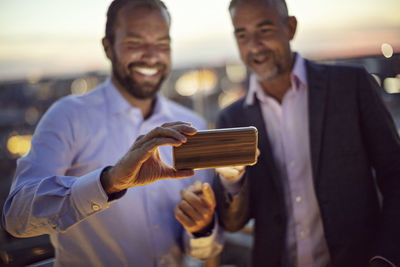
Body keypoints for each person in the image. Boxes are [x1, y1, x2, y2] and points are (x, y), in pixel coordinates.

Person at [2, 0, 222, 266]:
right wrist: (110, 182)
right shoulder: (68, 116)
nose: (152, 55)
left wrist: (202, 228)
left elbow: (203, 251)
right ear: (108, 47)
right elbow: (16, 218)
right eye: (135, 43)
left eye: (162, 44)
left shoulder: (191, 122)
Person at [214, 0, 400, 266]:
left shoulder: (351, 86)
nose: (253, 45)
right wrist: (232, 180)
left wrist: (386, 256)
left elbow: (395, 175)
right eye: (242, 35)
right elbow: (232, 223)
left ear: (290, 27)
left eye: (264, 30)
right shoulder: (231, 119)